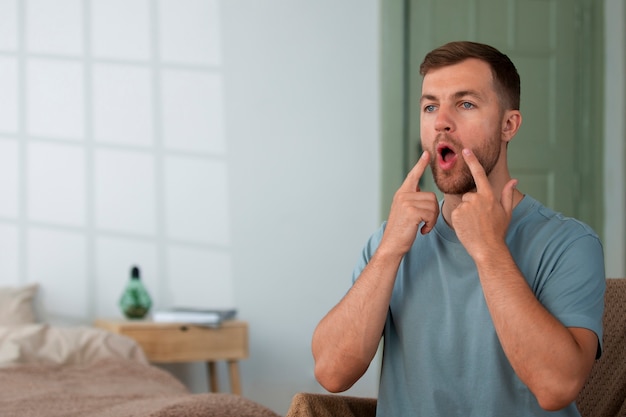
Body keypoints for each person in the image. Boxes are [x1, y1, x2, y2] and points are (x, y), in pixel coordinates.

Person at [311, 41, 605, 416]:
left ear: (508, 125)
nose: (441, 121)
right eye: (430, 106)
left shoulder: (569, 244)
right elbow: (332, 373)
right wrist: (389, 252)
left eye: (465, 104)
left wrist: (488, 250)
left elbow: (556, 387)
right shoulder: (391, 241)